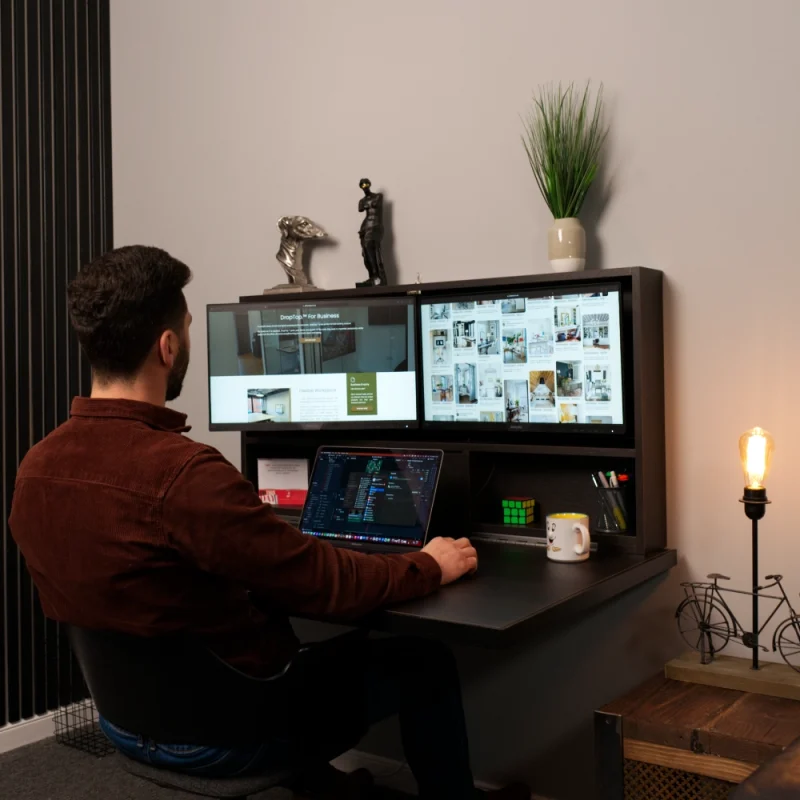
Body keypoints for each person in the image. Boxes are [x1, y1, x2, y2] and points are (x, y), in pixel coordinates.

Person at [8, 246, 529, 800]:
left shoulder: (35, 469)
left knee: (267, 638)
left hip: (125, 724)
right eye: (188, 329)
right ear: (167, 347)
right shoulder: (185, 476)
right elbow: (329, 584)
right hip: (223, 734)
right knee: (424, 661)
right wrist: (428, 564)